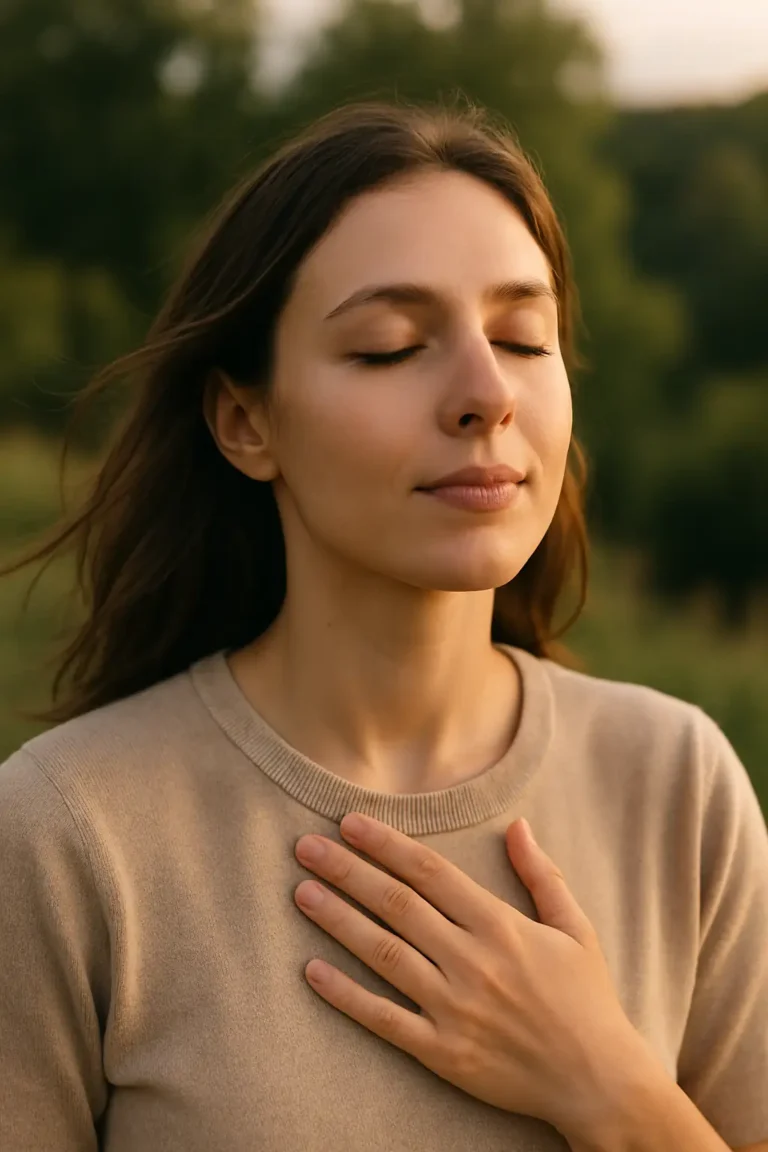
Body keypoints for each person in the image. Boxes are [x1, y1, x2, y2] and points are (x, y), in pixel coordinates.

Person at [0, 100, 766, 1152]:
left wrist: (612, 1090)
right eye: (390, 347)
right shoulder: (66, 834)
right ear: (244, 421)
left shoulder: (680, 785)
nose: (486, 394)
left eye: (522, 337)